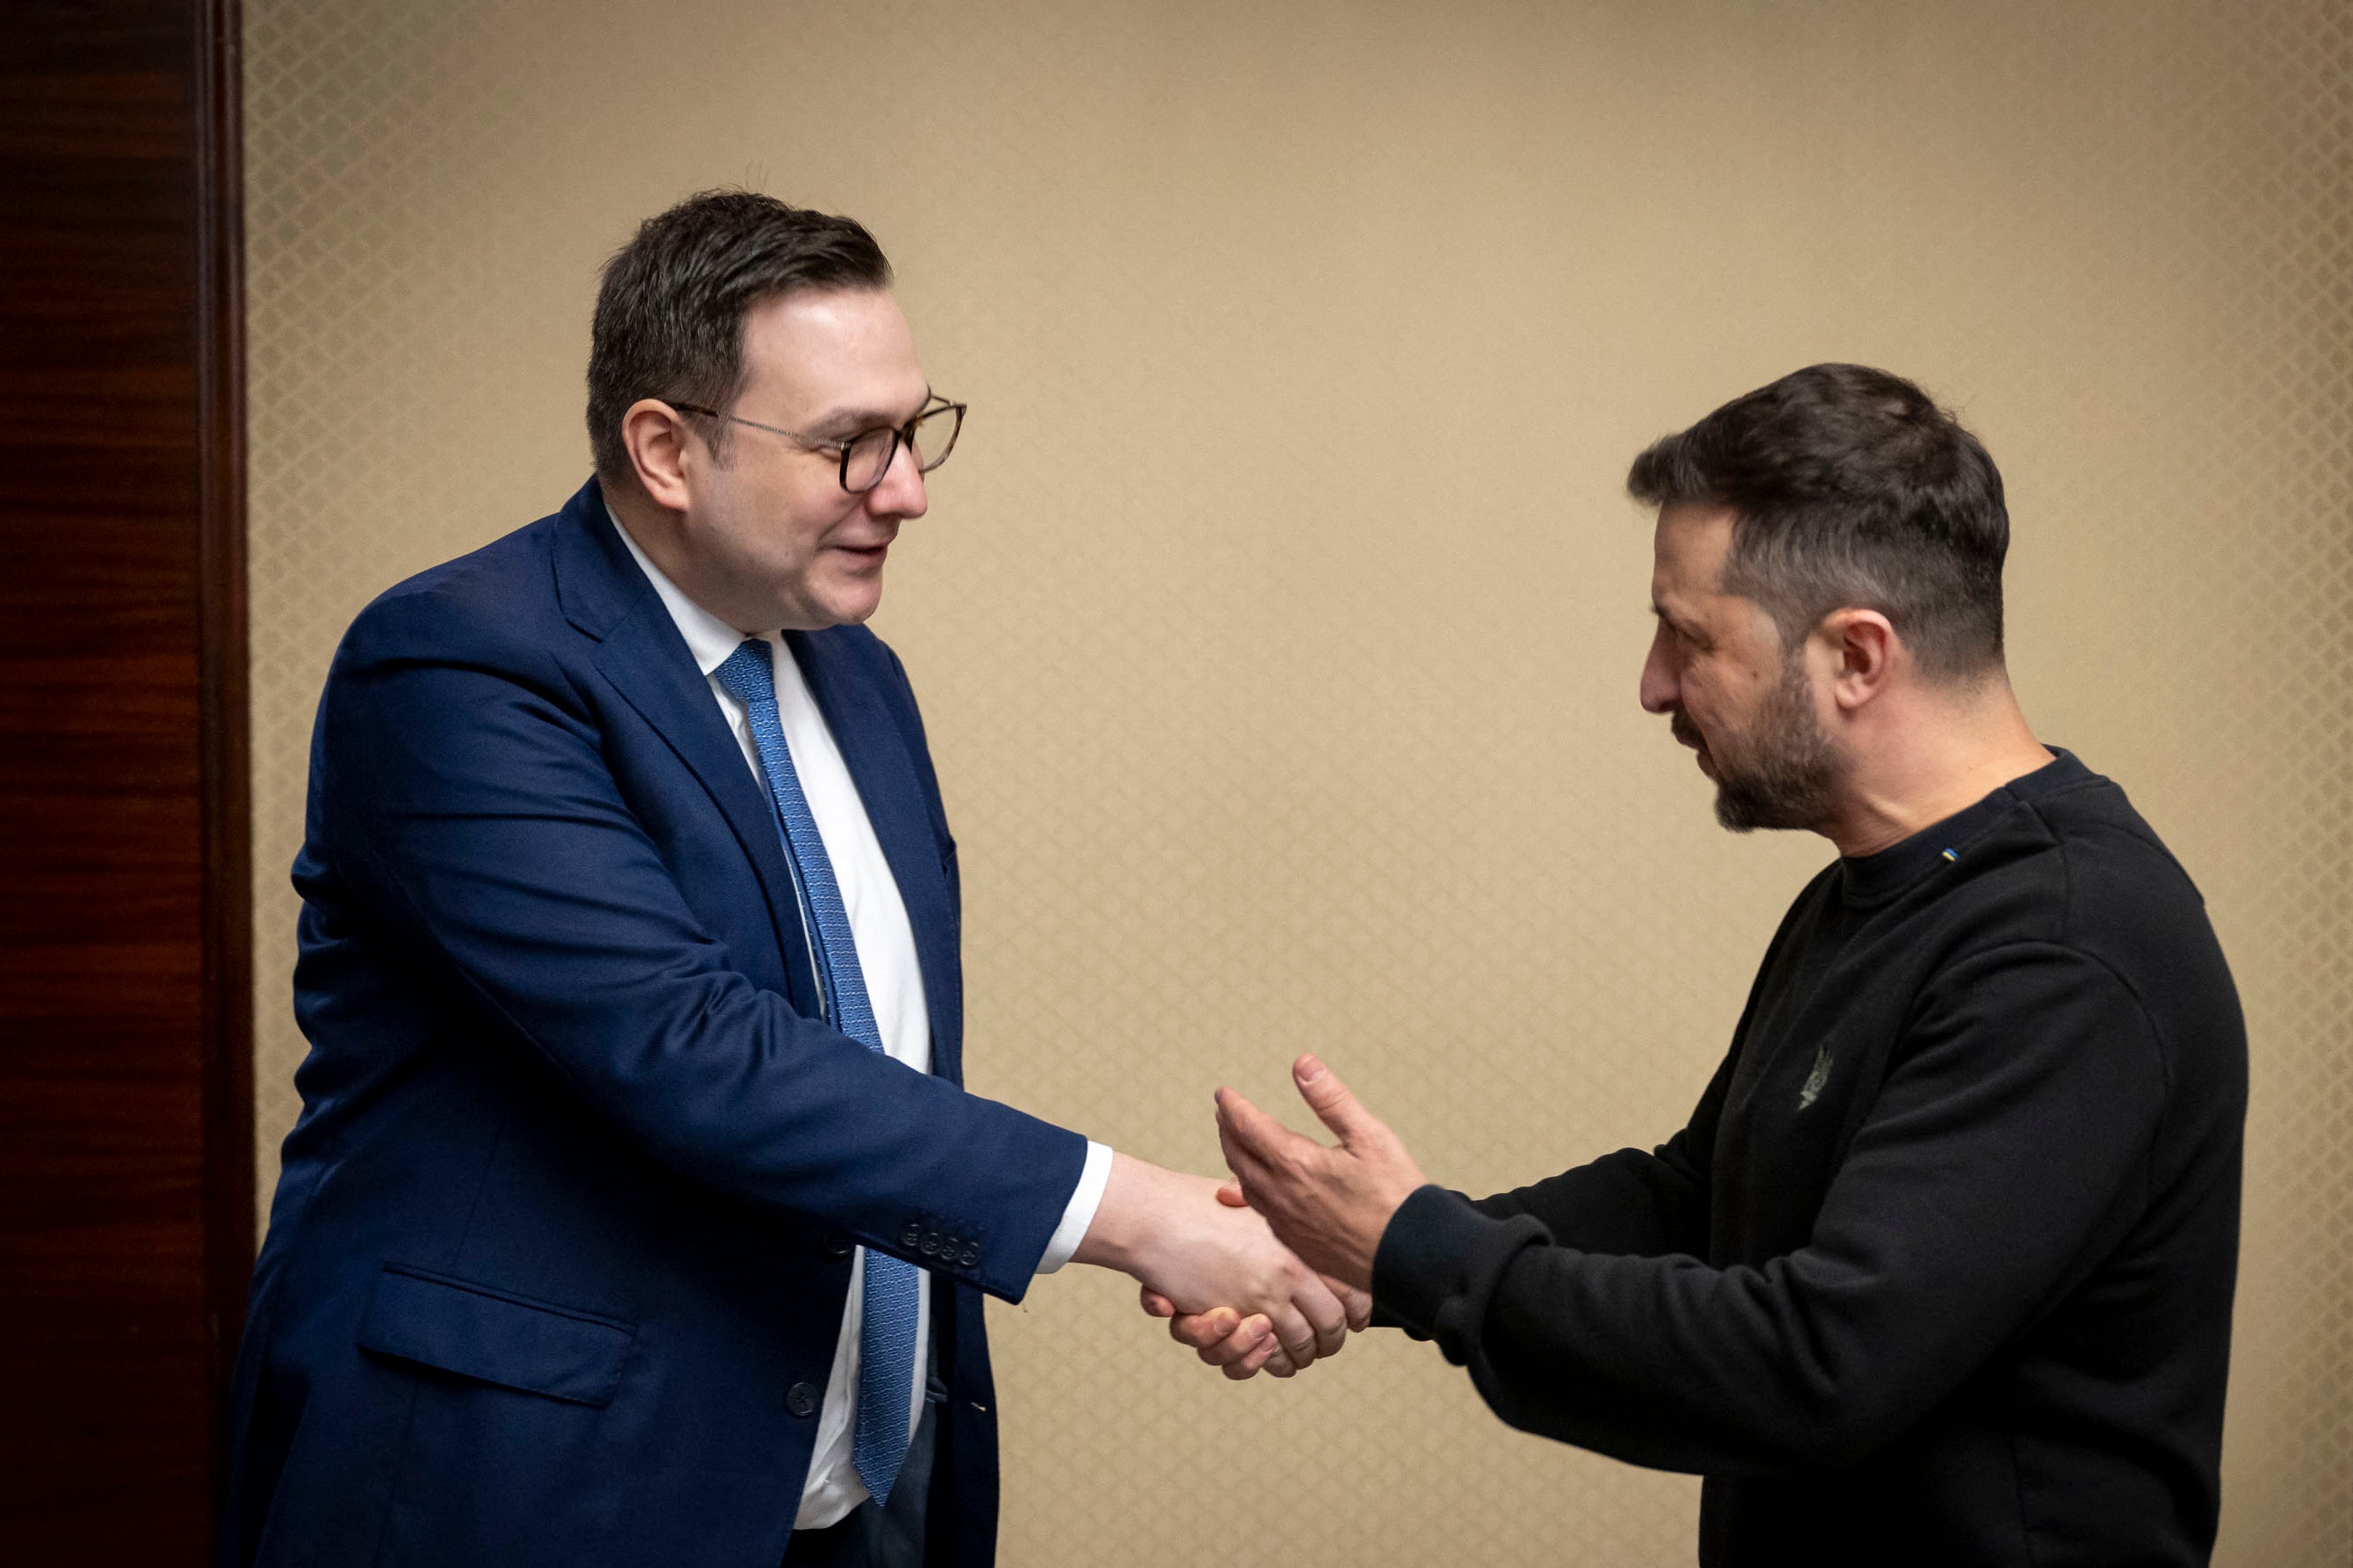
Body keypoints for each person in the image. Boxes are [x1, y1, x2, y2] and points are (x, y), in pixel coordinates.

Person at [217, 190, 1358, 1568]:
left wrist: (1219, 1244)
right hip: (523, 1490)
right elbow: (692, 1050)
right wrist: (1141, 1220)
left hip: (839, 1493)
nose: (908, 488)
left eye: (916, 429)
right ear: (665, 448)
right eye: (847, 445)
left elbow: (877, 1064)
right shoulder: (460, 667)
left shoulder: (855, 678)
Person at [1165, 364, 2248, 1565]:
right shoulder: (1876, 893)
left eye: (1690, 638)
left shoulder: (2067, 952)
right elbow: (1700, 1201)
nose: (1653, 686)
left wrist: (1419, 1251)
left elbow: (1813, 1368)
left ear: (1857, 656)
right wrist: (1370, 1257)